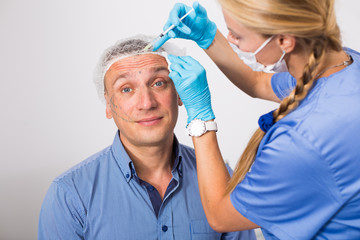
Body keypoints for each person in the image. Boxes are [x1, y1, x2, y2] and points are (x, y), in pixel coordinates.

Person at [154, 0, 360, 239]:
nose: (230, 39)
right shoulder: (343, 64)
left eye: (238, 35)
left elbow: (220, 215)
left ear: (284, 40)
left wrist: (200, 116)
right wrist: (208, 36)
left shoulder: (303, 142)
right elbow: (257, 82)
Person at [38, 35, 256, 240]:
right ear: (108, 105)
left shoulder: (220, 179)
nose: (147, 103)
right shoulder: (70, 194)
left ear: (180, 93)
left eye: (158, 83)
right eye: (126, 89)